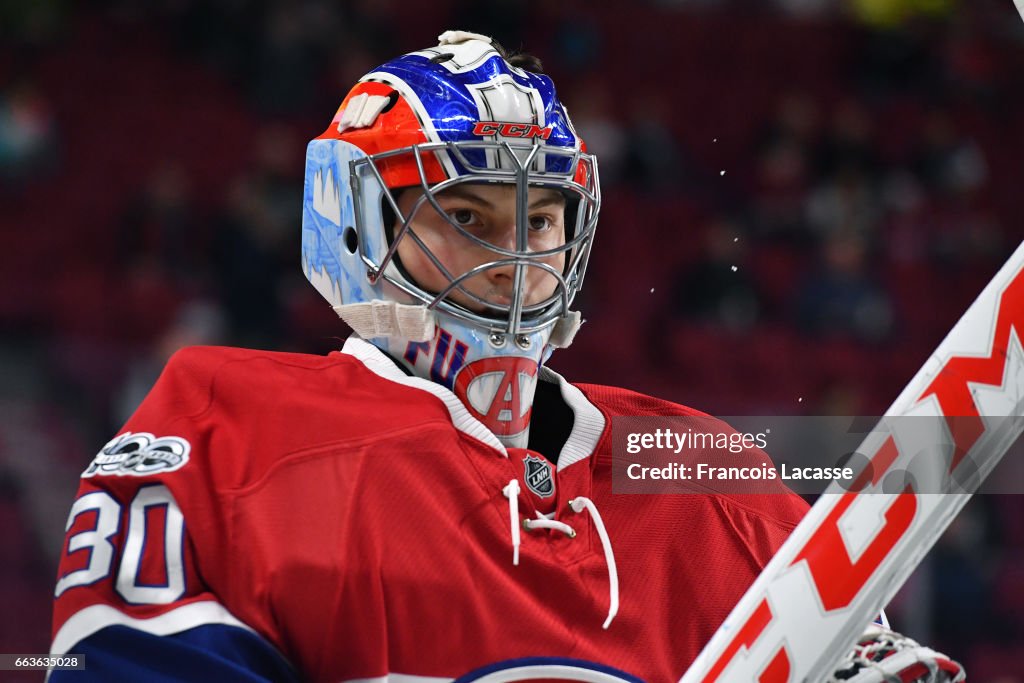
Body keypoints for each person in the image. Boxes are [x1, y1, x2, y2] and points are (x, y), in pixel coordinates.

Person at [50, 31, 965, 683]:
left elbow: (839, 649)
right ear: (359, 227)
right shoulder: (224, 427)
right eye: (469, 216)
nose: (519, 256)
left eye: (539, 219)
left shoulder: (708, 472)